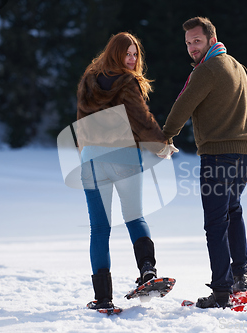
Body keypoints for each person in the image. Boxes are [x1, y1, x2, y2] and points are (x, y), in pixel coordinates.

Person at [162, 17, 247, 308]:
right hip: (246, 155)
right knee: (233, 210)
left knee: (215, 222)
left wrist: (165, 137)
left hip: (219, 157)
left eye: (196, 41)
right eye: (187, 43)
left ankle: (222, 292)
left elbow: (182, 105)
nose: (191, 48)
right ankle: (241, 277)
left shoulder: (207, 70)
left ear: (212, 39)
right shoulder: (237, 66)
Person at [76, 32, 173, 311]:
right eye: (127, 54)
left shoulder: (88, 80)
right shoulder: (128, 81)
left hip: (92, 160)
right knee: (134, 216)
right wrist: (162, 145)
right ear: (115, 54)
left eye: (134, 54)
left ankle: (103, 297)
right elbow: (140, 118)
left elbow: (82, 120)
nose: (131, 59)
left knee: (99, 228)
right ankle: (147, 272)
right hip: (125, 158)